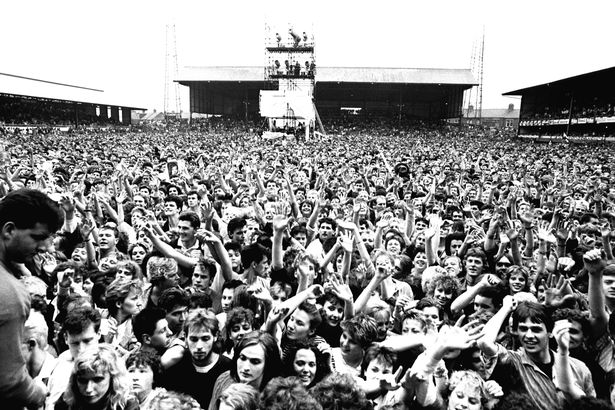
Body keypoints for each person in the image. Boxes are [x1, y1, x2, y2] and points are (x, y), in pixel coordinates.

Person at [0, 189, 63, 409]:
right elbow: (9, 381)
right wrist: (37, 394)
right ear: (9, 230)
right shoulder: (9, 292)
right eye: (37, 238)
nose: (45, 247)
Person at [161, 309, 231, 409]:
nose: (199, 346)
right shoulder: (175, 365)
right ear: (185, 338)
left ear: (215, 336)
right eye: (194, 339)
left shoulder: (227, 368)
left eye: (205, 338)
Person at [208, 331, 282, 410]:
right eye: (242, 358)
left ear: (268, 365)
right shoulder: (224, 379)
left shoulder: (275, 397)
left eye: (255, 362)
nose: (246, 367)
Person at [54, 344, 138, 410]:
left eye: (97, 380)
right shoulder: (66, 402)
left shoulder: (127, 405)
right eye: (82, 381)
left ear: (113, 378)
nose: (88, 389)